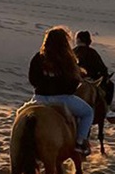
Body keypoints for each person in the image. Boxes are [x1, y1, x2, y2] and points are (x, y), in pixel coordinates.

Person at [28, 26, 95, 155]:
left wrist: (43, 86)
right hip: (62, 99)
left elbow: (32, 79)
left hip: (39, 98)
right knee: (88, 113)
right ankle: (80, 143)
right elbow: (73, 83)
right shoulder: (66, 59)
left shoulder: (38, 57)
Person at [74, 30, 115, 109]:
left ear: (78, 40)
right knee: (110, 85)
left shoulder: (73, 51)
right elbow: (101, 68)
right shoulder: (92, 52)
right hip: (91, 80)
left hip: (75, 80)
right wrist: (105, 76)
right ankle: (108, 108)